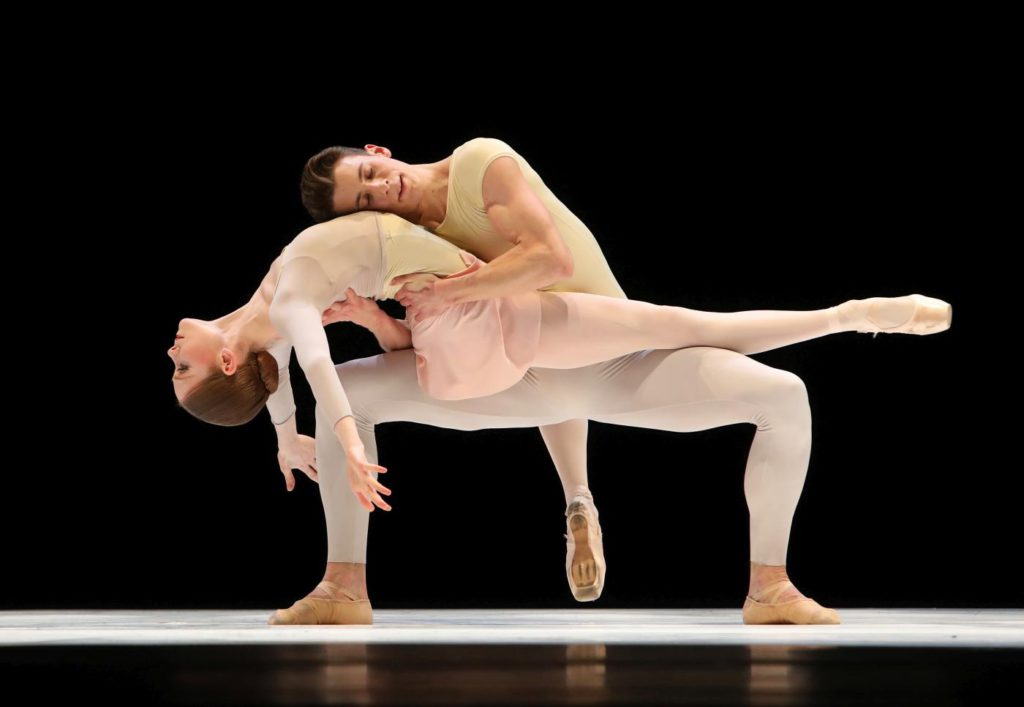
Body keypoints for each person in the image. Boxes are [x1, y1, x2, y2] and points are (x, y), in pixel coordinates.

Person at [170, 210, 951, 625]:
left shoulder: (277, 300)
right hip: (515, 372)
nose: (173, 350)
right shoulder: (286, 303)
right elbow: (297, 368)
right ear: (226, 364)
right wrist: (319, 429)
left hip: (578, 370)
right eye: (184, 369)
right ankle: (346, 584)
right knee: (354, 383)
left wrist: (293, 431)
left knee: (780, 392)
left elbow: (288, 373)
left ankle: (768, 585)